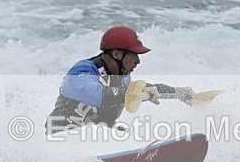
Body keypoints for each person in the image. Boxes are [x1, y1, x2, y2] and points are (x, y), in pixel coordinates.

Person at [46, 26, 193, 134]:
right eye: (134, 55)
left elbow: (140, 90)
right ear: (116, 54)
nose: (138, 61)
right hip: (61, 140)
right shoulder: (81, 72)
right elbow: (99, 95)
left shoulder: (122, 78)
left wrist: (178, 92)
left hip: (97, 139)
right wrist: (136, 92)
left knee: (129, 134)